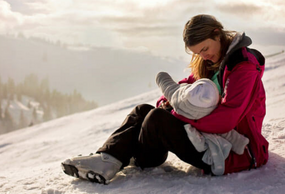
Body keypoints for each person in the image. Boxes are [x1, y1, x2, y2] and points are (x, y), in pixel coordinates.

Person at [61, 14, 269, 184]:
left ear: (217, 33)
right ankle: (108, 158)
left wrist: (178, 115)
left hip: (233, 151)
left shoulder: (242, 67)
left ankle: (128, 155)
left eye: (204, 49)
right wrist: (168, 101)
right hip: (208, 136)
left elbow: (227, 119)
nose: (203, 56)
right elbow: (187, 84)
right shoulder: (214, 59)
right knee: (143, 110)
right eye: (198, 53)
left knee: (157, 119)